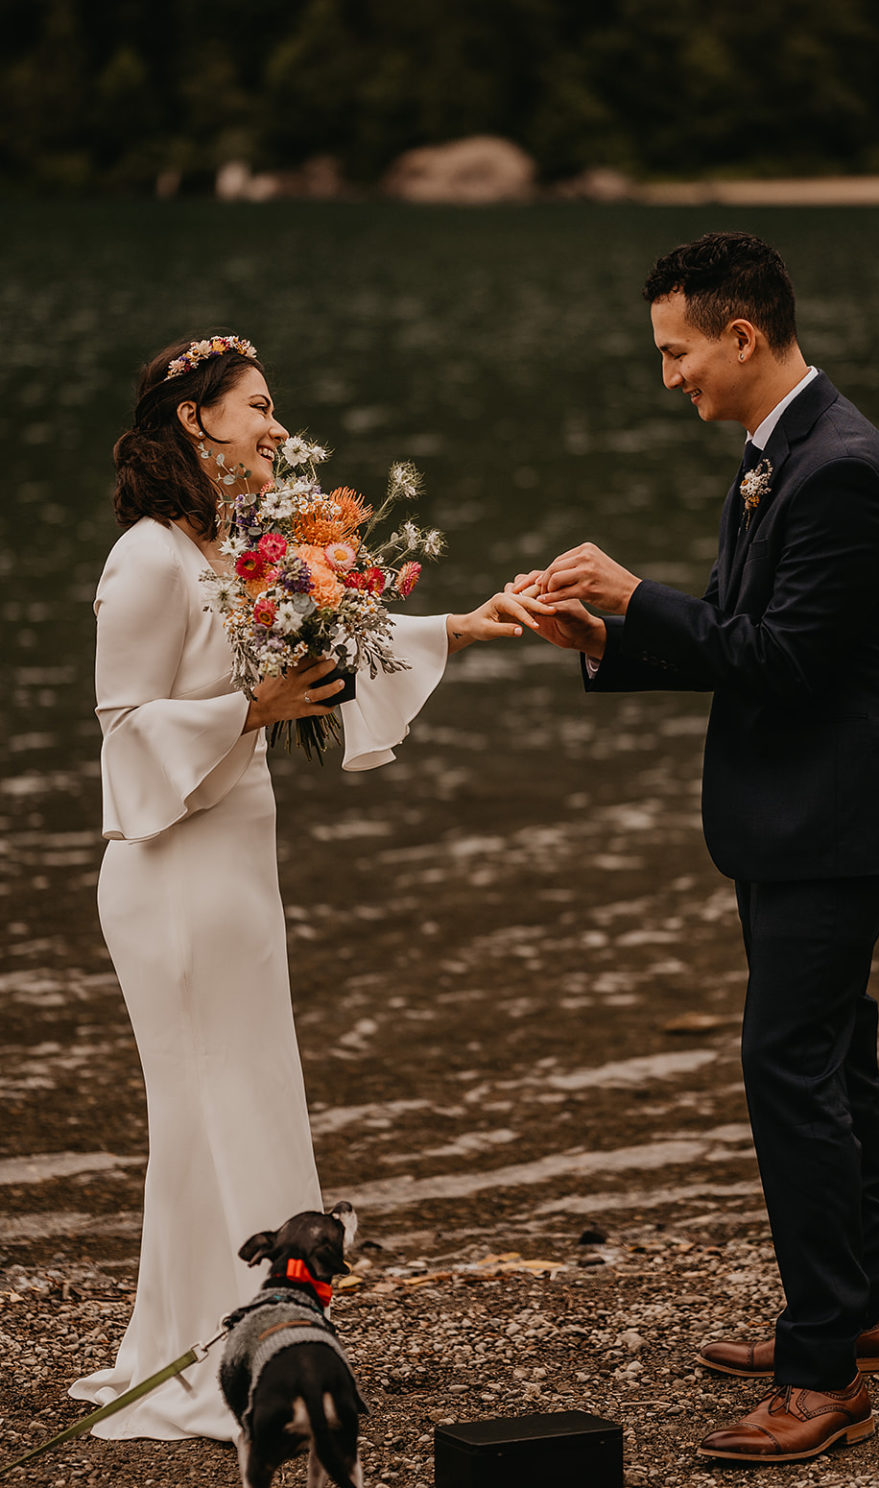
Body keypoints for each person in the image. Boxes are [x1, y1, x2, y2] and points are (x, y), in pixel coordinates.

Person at [509, 232, 879, 1465]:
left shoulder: (841, 469)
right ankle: (861, 1311)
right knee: (833, 1062)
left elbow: (782, 661)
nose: (669, 377)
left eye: (676, 351)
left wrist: (635, 594)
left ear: (740, 337)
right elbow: (742, 635)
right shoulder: (779, 455)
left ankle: (822, 1377)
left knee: (789, 1077)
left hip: (831, 822)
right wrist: (604, 640)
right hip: (792, 816)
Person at [71, 335, 542, 1441]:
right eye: (259, 407)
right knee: (214, 1104)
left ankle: (222, 1338)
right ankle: (247, 1350)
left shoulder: (233, 544)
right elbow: (123, 727)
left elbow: (327, 653)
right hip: (172, 869)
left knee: (225, 1105)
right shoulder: (146, 556)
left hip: (234, 853)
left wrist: (464, 626)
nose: (277, 429)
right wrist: (253, 709)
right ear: (197, 421)